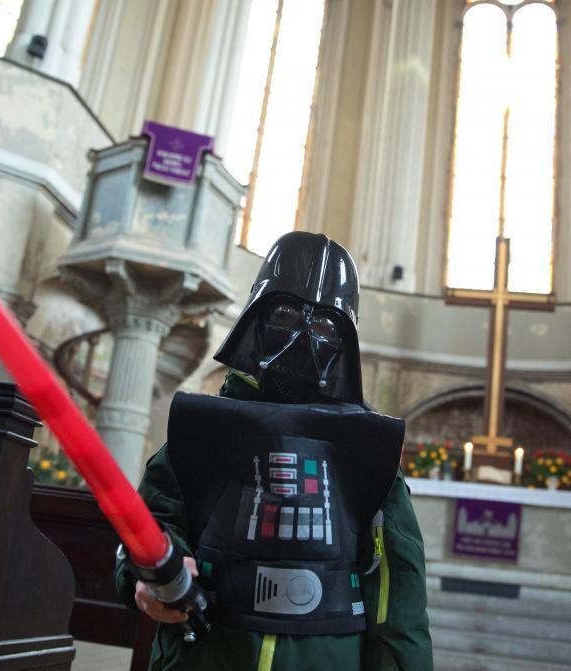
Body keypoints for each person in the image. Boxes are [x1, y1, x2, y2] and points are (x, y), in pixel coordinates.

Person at [116, 232, 432, 670]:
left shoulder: (366, 449)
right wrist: (147, 577)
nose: (304, 332)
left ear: (345, 339)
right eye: (285, 311)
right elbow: (152, 527)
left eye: (324, 322)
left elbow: (398, 598)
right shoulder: (204, 430)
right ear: (255, 318)